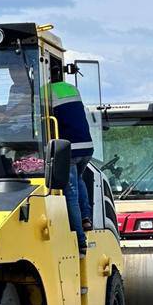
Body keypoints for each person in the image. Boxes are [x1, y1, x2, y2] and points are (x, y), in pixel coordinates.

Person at [47, 70, 94, 254]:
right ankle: (86, 218)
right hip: (87, 146)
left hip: (69, 149)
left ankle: (80, 242)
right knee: (79, 180)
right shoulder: (70, 88)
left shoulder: (45, 91)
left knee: (70, 193)